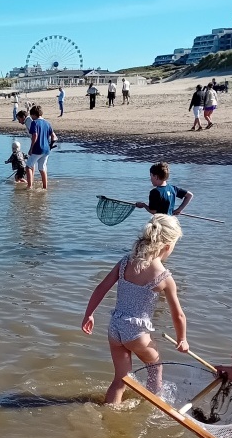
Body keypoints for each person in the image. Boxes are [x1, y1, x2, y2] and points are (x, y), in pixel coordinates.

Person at [81, 214, 188, 404]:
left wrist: (89, 314)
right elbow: (178, 314)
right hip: (137, 333)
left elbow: (101, 288)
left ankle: (110, 413)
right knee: (155, 367)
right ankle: (152, 409)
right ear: (167, 246)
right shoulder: (164, 277)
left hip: (115, 328)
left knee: (120, 380)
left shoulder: (125, 262)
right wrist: (182, 339)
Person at [25, 105, 57, 190]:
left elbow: (35, 135)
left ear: (33, 114)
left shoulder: (34, 123)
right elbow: (54, 137)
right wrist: (51, 145)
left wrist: (31, 148)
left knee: (28, 166)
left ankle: (29, 186)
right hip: (46, 149)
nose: (31, 117)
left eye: (31, 115)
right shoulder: (47, 123)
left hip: (37, 148)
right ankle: (44, 187)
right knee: (42, 168)